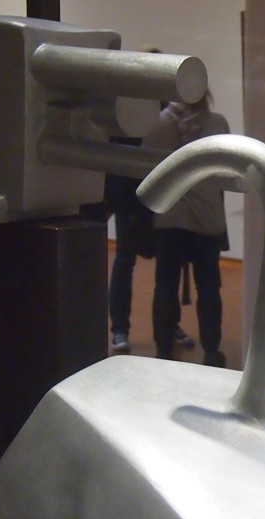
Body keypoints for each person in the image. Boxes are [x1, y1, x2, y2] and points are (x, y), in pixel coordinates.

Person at [105, 47, 194, 352]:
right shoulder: (127, 110)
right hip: (131, 199)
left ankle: (167, 324)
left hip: (162, 197)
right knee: (126, 261)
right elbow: (116, 156)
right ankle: (120, 328)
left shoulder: (169, 110)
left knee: (165, 266)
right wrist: (114, 201)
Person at [145, 91, 230, 367]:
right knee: (209, 287)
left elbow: (147, 171)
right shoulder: (217, 123)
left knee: (165, 286)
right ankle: (211, 351)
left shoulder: (157, 123)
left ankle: (163, 352)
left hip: (168, 216)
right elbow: (226, 173)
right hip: (207, 217)